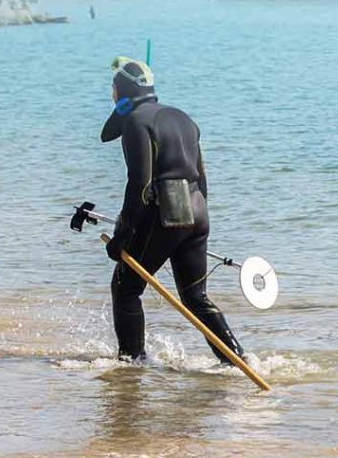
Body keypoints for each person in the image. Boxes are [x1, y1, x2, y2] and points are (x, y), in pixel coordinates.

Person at [101, 56, 244, 363]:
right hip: (198, 210)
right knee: (195, 298)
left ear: (120, 90)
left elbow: (140, 184)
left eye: (113, 89)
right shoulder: (182, 118)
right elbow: (201, 178)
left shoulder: (137, 123)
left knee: (126, 287)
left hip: (170, 211)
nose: (111, 94)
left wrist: (122, 236)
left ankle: (131, 365)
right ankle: (237, 362)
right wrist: (194, 226)